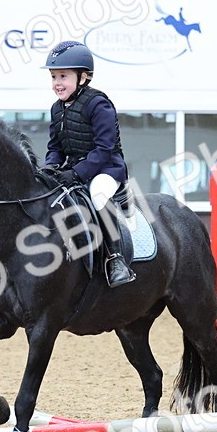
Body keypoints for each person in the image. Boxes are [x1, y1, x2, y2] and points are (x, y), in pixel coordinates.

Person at [40, 40, 135, 287]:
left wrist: (77, 172)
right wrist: (50, 167)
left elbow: (104, 149)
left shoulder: (98, 104)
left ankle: (116, 259)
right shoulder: (56, 109)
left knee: (98, 195)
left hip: (106, 170)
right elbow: (55, 147)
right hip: (74, 170)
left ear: (83, 77)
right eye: (53, 77)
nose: (57, 83)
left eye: (63, 76)